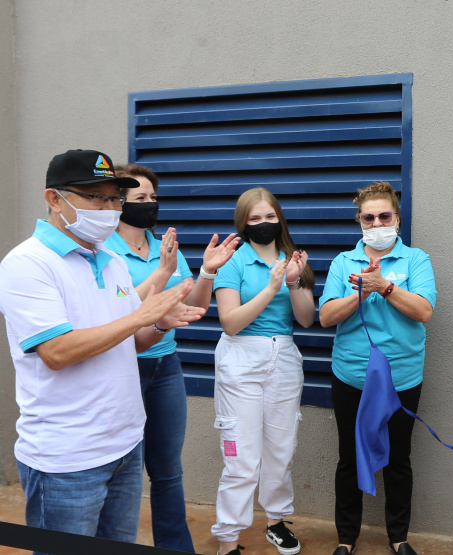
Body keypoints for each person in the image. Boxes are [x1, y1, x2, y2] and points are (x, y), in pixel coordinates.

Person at [0, 149, 205, 552]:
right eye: (95, 197)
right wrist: (142, 315)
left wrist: (159, 323)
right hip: (68, 459)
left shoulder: (110, 259)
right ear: (54, 199)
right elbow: (56, 352)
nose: (109, 208)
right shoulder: (27, 263)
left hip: (125, 445)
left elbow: (132, 339)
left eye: (114, 198)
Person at [104, 163, 240, 552]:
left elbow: (190, 306)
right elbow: (124, 315)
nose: (149, 204)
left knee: (168, 473)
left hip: (166, 368)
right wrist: (161, 277)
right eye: (139, 198)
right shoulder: (105, 252)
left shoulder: (167, 246)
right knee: (119, 470)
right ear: (118, 203)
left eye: (152, 197)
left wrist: (208, 275)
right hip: (122, 369)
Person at [319, 182, 436, 555]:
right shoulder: (343, 262)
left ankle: (399, 538)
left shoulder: (416, 260)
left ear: (397, 219)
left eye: (384, 216)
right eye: (369, 217)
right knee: (350, 458)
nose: (377, 223)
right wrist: (361, 292)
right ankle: (346, 539)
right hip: (351, 376)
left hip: (402, 378)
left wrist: (384, 285)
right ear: (359, 222)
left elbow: (424, 311)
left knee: (399, 460)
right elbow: (325, 316)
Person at [211, 187, 316, 555]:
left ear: (279, 218)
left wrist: (291, 281)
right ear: (243, 223)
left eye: (269, 217)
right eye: (254, 218)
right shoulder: (233, 262)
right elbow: (231, 323)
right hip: (241, 359)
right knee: (241, 456)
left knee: (281, 448)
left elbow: (305, 320)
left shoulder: (293, 260)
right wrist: (272, 288)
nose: (263, 224)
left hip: (284, 356)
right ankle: (228, 540)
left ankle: (276, 521)